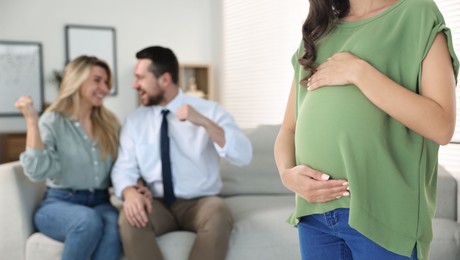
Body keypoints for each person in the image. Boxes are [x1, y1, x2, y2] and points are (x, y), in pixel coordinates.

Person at [274, 0, 459, 259]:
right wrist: (286, 174)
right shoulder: (320, 31)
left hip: (384, 215)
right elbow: (288, 129)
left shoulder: (417, 13)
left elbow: (442, 126)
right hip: (314, 214)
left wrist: (359, 72)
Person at [111, 46, 253, 260]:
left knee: (218, 212)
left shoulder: (209, 111)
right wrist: (129, 193)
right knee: (130, 216)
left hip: (200, 203)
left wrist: (205, 123)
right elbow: (124, 167)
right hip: (156, 203)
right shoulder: (135, 121)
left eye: (140, 78)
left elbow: (244, 154)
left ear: (165, 79)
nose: (134, 85)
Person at [16, 56, 122, 260]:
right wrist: (32, 122)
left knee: (111, 226)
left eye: (107, 82)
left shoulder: (110, 123)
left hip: (101, 201)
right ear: (78, 81)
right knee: (87, 220)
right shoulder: (53, 120)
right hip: (59, 203)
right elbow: (37, 171)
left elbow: (123, 166)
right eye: (97, 80)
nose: (105, 88)